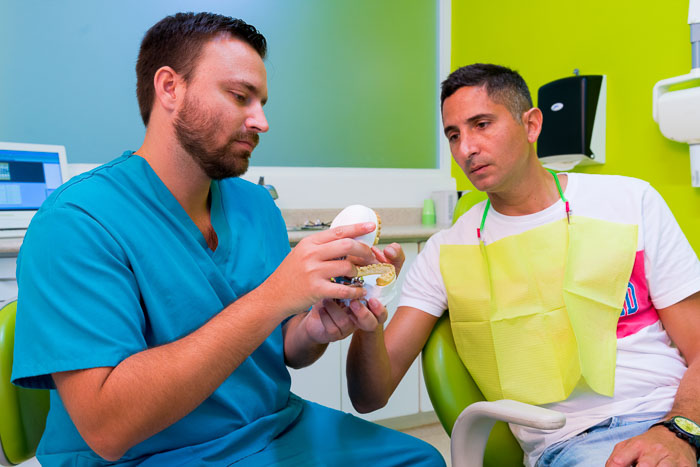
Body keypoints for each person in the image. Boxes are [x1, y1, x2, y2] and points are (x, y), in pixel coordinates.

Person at [10, 12, 444, 466]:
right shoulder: (78, 221)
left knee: (421, 459)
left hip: (270, 428)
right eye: (240, 96)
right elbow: (107, 428)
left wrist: (314, 328)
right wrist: (274, 296)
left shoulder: (255, 207)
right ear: (169, 88)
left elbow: (284, 348)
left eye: (262, 102)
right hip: (147, 455)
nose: (261, 121)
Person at [346, 63, 700, 467]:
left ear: (531, 125)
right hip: (579, 441)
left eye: (482, 124)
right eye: (454, 135)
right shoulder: (447, 251)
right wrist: (366, 315)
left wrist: (679, 430)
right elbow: (370, 396)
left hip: (678, 416)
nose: (466, 148)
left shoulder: (631, 201)